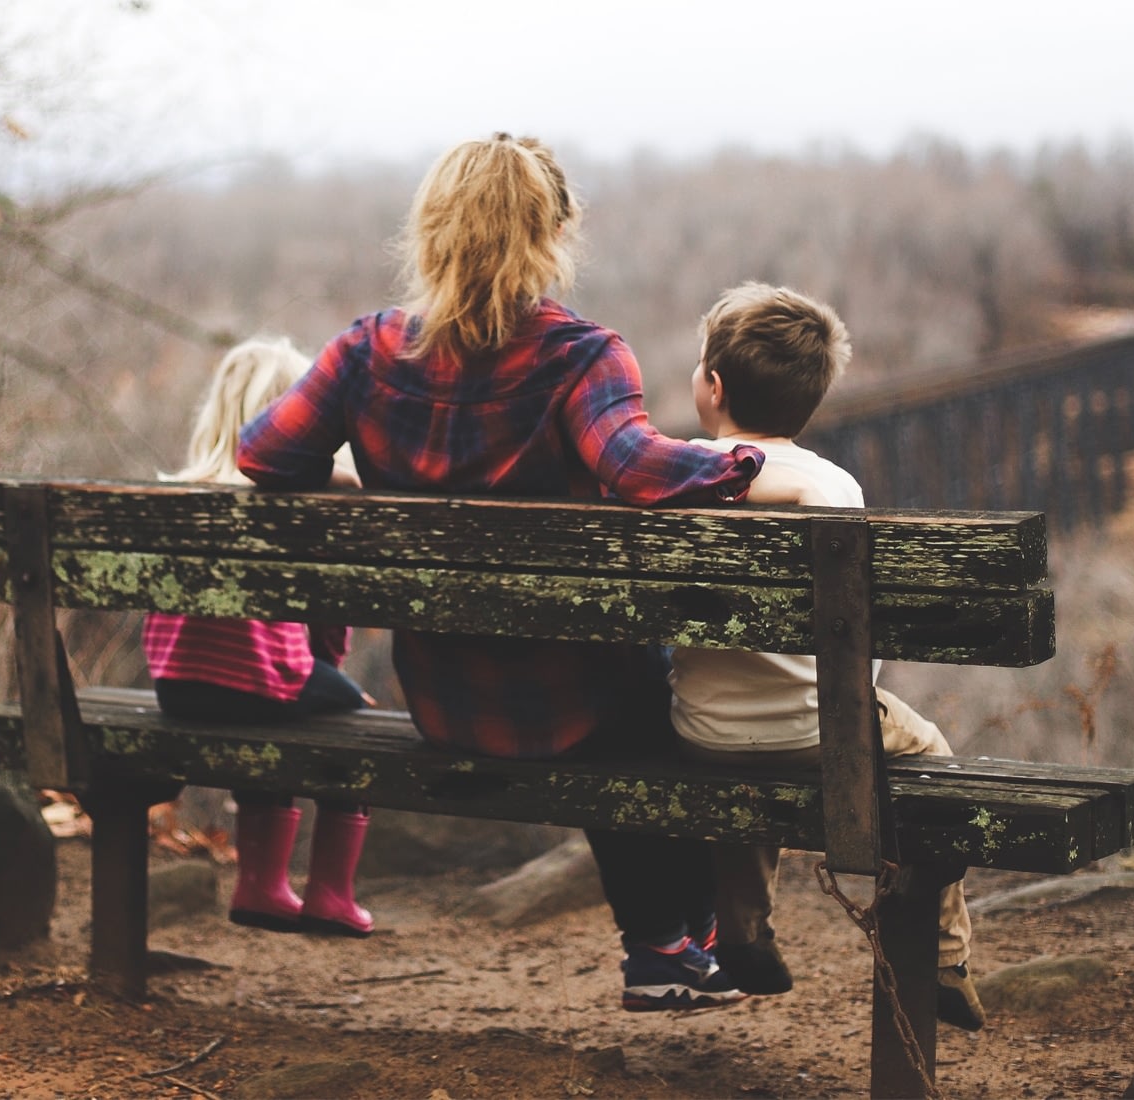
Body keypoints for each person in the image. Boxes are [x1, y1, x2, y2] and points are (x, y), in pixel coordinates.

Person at [239, 133, 762, 1011]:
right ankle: (673, 942)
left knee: (627, 686)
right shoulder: (581, 356)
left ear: (431, 230)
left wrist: (348, 477)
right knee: (657, 690)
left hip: (445, 700)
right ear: (554, 232)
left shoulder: (365, 352)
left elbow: (263, 455)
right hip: (576, 707)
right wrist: (745, 463)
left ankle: (677, 944)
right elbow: (636, 468)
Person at [669, 282, 988, 1031]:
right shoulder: (834, 487)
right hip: (824, 731)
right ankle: (944, 956)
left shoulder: (674, 474)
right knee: (931, 754)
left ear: (712, 387)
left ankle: (742, 930)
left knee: (744, 743)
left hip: (702, 732)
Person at [141, 336, 377, 937]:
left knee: (269, 700)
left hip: (177, 688)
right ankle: (328, 894)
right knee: (353, 721)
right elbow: (325, 619)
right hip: (259, 683)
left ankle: (261, 885)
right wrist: (336, 679)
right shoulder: (294, 500)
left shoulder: (180, 493)